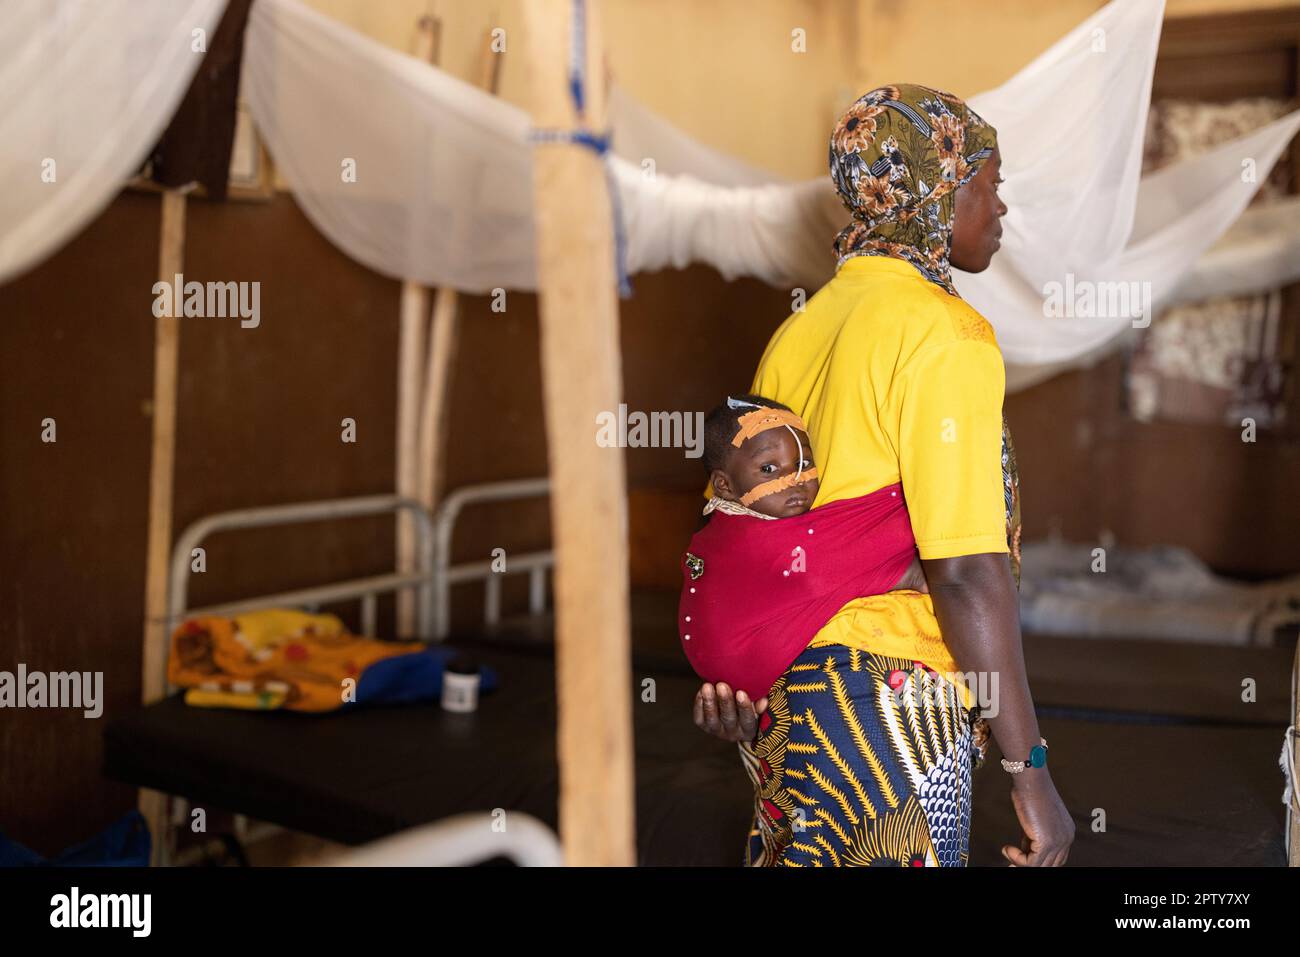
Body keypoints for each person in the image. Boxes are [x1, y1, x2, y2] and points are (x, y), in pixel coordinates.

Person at [691, 84, 1073, 867]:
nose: (1000, 209)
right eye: (988, 184)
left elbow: (743, 524)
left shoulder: (798, 329)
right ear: (937, 190)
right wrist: (1029, 770)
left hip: (786, 695)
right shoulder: (949, 334)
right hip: (888, 703)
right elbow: (964, 570)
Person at [679, 393, 929, 700]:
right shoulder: (749, 539)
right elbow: (871, 530)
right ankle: (900, 574)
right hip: (755, 684)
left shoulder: (747, 524)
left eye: (803, 462)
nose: (795, 479)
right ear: (725, 486)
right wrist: (922, 483)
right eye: (769, 469)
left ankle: (897, 574)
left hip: (746, 686)